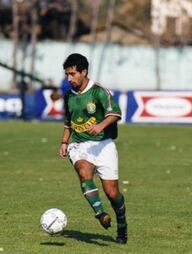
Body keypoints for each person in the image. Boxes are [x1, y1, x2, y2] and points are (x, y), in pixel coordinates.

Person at [59, 53, 128, 244]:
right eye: (67, 75)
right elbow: (68, 123)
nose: (69, 79)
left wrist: (101, 125)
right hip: (79, 144)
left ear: (84, 72)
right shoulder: (69, 96)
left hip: (103, 144)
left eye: (72, 74)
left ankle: (122, 225)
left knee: (112, 193)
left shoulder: (98, 91)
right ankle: (100, 214)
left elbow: (115, 113)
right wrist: (64, 142)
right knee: (83, 170)